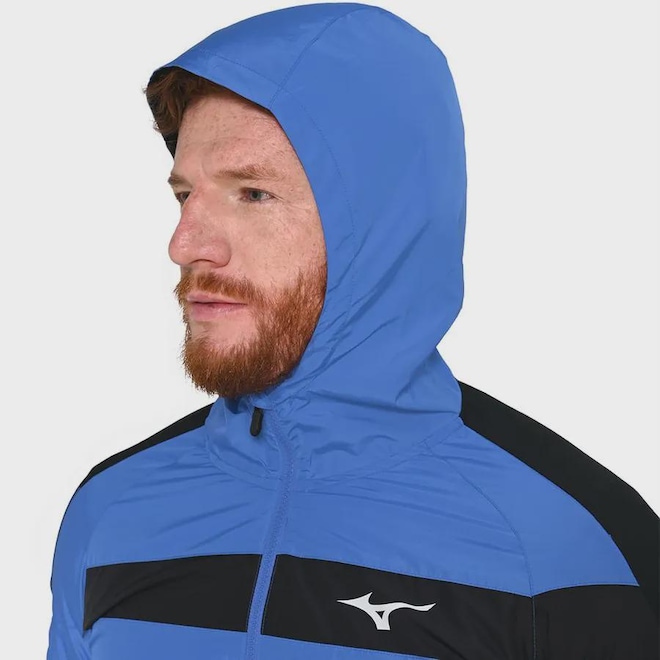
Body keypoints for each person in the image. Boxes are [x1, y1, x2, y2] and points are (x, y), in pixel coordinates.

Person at [47, 3, 659, 659]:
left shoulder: (569, 547)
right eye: (183, 195)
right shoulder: (112, 511)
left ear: (381, 222)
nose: (185, 245)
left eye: (252, 194)